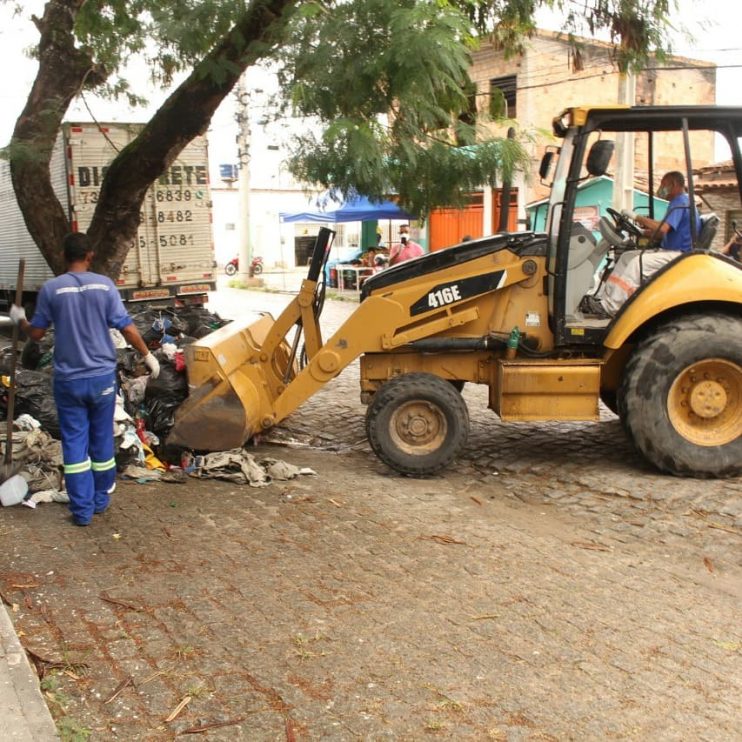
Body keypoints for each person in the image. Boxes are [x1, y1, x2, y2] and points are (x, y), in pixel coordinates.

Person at [10, 233, 160, 526]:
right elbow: (128, 328)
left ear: (64, 256)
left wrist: (20, 319)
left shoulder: (52, 289)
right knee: (102, 438)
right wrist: (147, 355)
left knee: (75, 444)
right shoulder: (104, 286)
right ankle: (100, 499)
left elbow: (37, 334)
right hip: (102, 377)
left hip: (69, 380)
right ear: (90, 255)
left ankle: (82, 512)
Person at [580, 171, 698, 318]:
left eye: (663, 185)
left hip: (678, 254)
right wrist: (641, 232)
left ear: (673, 185)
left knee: (637, 263)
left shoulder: (681, 202)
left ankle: (611, 307)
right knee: (626, 257)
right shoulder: (678, 202)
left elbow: (662, 228)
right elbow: (664, 233)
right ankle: (605, 300)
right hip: (668, 251)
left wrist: (636, 217)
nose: (661, 189)